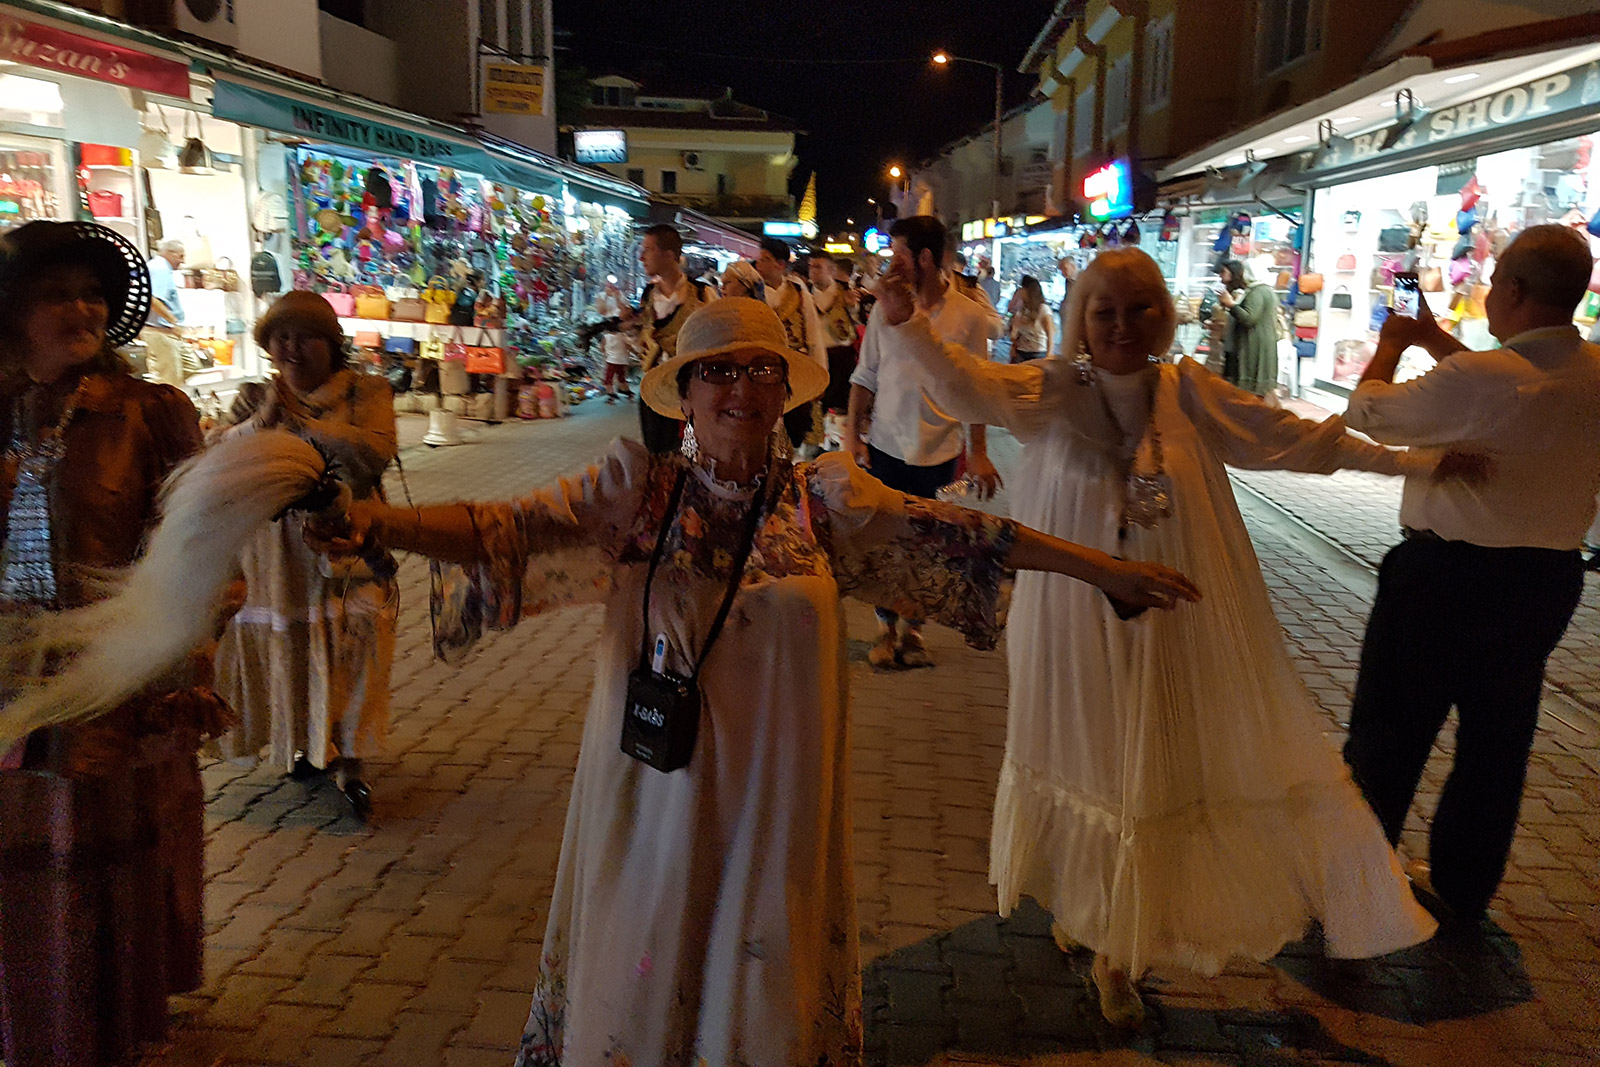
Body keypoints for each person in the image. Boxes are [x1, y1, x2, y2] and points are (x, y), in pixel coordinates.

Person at [307, 296, 1197, 1064]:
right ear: (686, 391)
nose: (741, 388)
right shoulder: (635, 493)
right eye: (718, 370)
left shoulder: (826, 501)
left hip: (779, 802)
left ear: (785, 390)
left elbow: (961, 534)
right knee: (649, 948)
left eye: (762, 370)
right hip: (658, 792)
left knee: (764, 963)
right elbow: (495, 525)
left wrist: (1101, 569)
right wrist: (374, 522)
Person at [875, 246, 1439, 1027]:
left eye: (1139, 308)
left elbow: (1294, 440)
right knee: (1082, 752)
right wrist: (907, 328)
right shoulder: (1052, 387)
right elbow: (965, 382)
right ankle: (1084, 900)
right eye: (1104, 311)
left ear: (1165, 314)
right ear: (1080, 319)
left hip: (1170, 620)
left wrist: (1409, 463)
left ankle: (1119, 951)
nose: (1121, 325)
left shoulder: (1188, 392)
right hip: (1070, 617)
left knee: (1145, 769)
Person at [0, 221, 221, 1066]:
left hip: (112, 682)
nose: (81, 307)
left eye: (91, 293)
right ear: (15, 314)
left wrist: (174, 660)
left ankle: (106, 1024)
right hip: (9, 684)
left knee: (100, 855)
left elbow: (198, 554)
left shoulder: (151, 412)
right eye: (57, 293)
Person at [1340, 223, 1600, 926]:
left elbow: (1368, 412)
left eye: (1494, 280)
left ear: (1513, 289)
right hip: (1546, 582)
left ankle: (1357, 882)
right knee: (1498, 739)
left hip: (1443, 576)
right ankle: (1462, 885)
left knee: (1391, 730)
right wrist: (1435, 341)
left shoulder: (1477, 379)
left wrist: (1395, 343)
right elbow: (1514, 383)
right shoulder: (1589, 371)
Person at [213, 291, 398, 820]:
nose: (292, 348)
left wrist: (300, 424)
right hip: (278, 556)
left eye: (305, 336)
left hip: (349, 543)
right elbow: (222, 451)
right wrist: (260, 422)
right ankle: (308, 746)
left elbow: (374, 451)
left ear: (330, 343)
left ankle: (351, 758)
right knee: (294, 645)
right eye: (281, 337)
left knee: (354, 644)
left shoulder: (367, 390)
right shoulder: (255, 396)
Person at [845, 215, 1002, 669]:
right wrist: (852, 438)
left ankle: (913, 631)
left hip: (941, 451)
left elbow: (974, 390)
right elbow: (865, 374)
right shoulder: (882, 309)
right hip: (887, 444)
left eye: (898, 255)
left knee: (930, 543)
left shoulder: (969, 317)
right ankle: (884, 628)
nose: (891, 265)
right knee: (887, 540)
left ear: (925, 258)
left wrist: (981, 454)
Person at [636, 224, 715, 453]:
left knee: (691, 453)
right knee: (657, 453)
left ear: (669, 255)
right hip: (654, 389)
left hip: (691, 390)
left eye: (648, 250)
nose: (642, 257)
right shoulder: (648, 296)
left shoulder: (702, 294)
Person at [754, 236, 827, 451]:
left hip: (795, 370)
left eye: (766, 259)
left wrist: (820, 374)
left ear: (781, 264)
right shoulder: (752, 293)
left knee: (796, 430)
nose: (759, 265)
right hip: (761, 370)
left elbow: (813, 335)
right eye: (759, 260)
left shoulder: (799, 293)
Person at [1216, 258, 1279, 396]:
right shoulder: (1264, 291)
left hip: (1254, 342)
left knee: (1250, 383)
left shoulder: (1257, 292)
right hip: (1260, 340)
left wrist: (1231, 305)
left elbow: (1249, 318)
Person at [810, 252, 860, 417]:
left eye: (818, 267)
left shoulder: (845, 292)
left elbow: (856, 319)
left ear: (831, 270)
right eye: (811, 266)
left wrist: (852, 307)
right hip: (815, 357)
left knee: (841, 409)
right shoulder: (803, 294)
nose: (813, 271)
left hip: (842, 358)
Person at [142, 236, 186, 385]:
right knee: (169, 381)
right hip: (161, 332)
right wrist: (173, 322)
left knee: (190, 366)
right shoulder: (160, 269)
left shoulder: (159, 268)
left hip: (164, 331)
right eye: (180, 256)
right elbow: (153, 300)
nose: (183, 261)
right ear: (170, 253)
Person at [592, 279, 634, 404]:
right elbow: (602, 311)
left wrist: (617, 298)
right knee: (613, 370)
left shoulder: (621, 296)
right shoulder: (601, 296)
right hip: (609, 331)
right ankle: (618, 390)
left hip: (618, 329)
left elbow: (624, 314)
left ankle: (618, 390)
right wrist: (606, 297)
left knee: (617, 371)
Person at [1007, 274, 1055, 362]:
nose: (1020, 291)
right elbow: (1016, 332)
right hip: (1021, 350)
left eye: (1023, 288)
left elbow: (1050, 333)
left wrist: (1049, 355)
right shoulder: (1022, 308)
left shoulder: (1043, 309)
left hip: (1038, 352)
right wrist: (1013, 346)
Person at [1056, 256, 1077, 354]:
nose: (1063, 273)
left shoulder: (1082, 279)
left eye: (1064, 269)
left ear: (1073, 266)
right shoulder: (1068, 281)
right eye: (1061, 270)